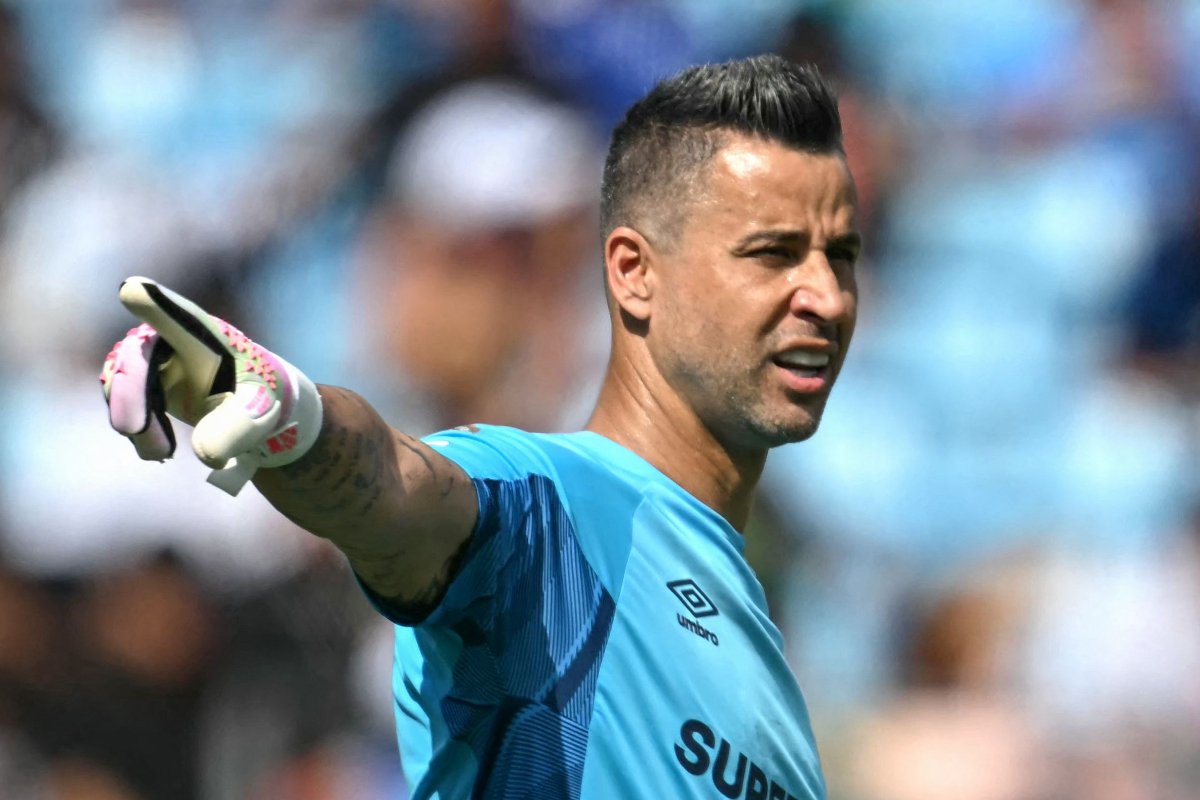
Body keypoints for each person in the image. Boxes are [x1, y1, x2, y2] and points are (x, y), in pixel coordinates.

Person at [101, 54, 861, 800]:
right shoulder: (549, 495)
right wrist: (296, 423)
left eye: (843, 256)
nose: (826, 295)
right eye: (774, 255)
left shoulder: (713, 562)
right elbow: (397, 487)